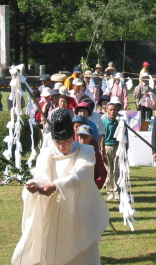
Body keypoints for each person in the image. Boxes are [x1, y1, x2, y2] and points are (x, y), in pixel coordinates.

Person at [11, 109, 109, 265]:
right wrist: (35, 186)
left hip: (78, 209)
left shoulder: (86, 151)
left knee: (83, 251)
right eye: (59, 143)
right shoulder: (45, 154)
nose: (63, 147)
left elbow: (79, 173)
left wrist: (56, 185)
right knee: (52, 247)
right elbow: (41, 176)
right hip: (53, 208)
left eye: (67, 142)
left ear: (73, 137)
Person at [102, 99, 124, 200]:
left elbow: (124, 137)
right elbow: (102, 137)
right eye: (110, 110)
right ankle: (109, 190)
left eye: (114, 110)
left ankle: (117, 190)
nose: (112, 112)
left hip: (117, 147)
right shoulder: (104, 122)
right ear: (106, 111)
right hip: (107, 147)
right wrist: (102, 151)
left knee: (117, 170)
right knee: (108, 170)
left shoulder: (120, 123)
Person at [76, 124, 108, 190]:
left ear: (91, 137)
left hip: (89, 187)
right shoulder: (73, 150)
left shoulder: (94, 152)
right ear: (77, 137)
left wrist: (95, 186)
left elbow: (103, 173)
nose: (82, 140)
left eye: (85, 137)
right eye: (81, 137)